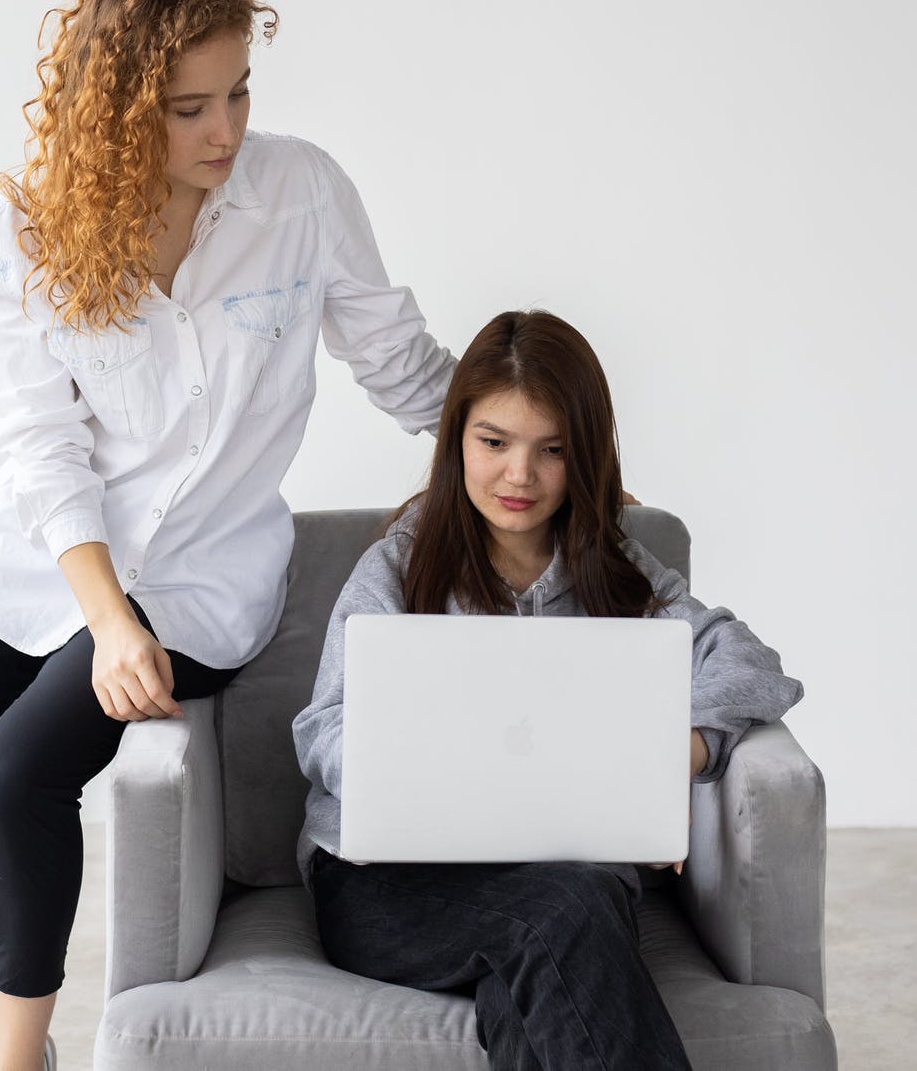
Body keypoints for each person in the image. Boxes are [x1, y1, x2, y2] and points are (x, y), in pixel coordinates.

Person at [0, 0, 456, 1071]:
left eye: (239, 91)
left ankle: (19, 1057)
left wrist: (534, 451)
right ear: (118, 110)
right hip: (26, 564)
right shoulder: (25, 231)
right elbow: (44, 447)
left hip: (196, 586)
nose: (225, 129)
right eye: (189, 107)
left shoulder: (301, 196)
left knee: (15, 769)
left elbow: (399, 363)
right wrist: (102, 620)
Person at [292, 309, 805, 1071]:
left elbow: (751, 661)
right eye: (494, 443)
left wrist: (682, 748)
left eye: (551, 450)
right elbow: (323, 728)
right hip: (388, 889)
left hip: (568, 884)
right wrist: (429, 764)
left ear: (584, 456)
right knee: (567, 912)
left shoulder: (620, 570)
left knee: (547, 952)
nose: (519, 475)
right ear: (456, 439)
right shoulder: (398, 566)